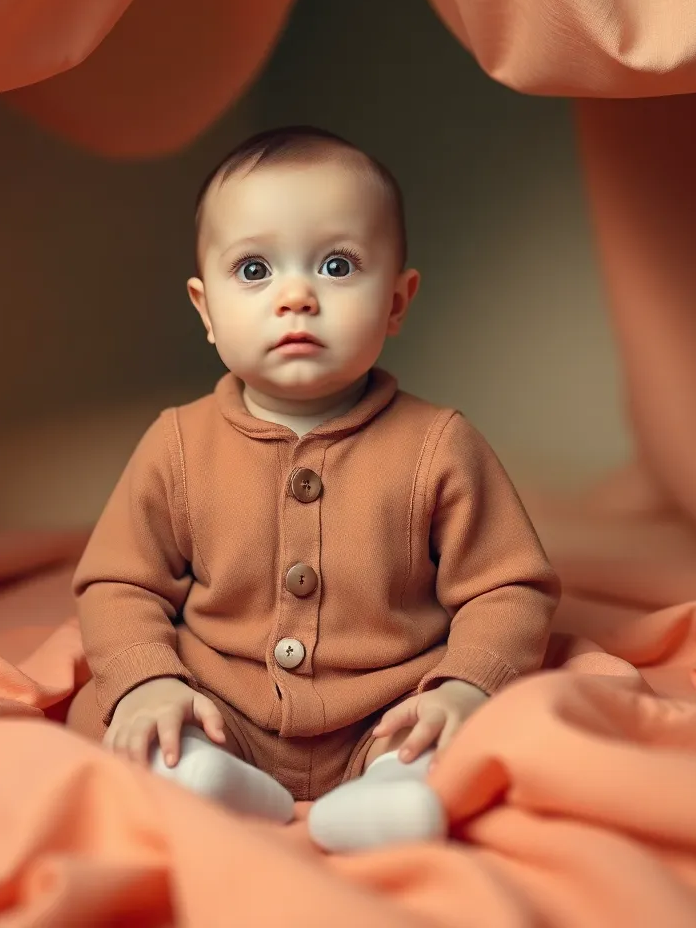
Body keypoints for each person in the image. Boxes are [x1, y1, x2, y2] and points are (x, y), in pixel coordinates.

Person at [67, 126, 561, 852]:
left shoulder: (440, 445)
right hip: (221, 704)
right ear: (205, 309)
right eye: (256, 270)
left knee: (487, 724)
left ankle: (395, 785)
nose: (296, 295)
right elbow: (117, 584)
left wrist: (464, 686)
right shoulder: (176, 444)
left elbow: (508, 590)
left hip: (390, 707)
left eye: (337, 264)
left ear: (397, 301)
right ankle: (205, 774)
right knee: (112, 714)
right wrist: (149, 682)